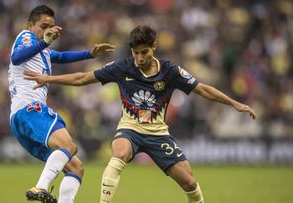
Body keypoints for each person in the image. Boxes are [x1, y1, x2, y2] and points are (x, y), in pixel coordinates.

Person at [24, 25, 257, 203]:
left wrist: (234, 103)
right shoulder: (122, 67)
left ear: (154, 47)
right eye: (136, 53)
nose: (140, 58)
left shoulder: (170, 71)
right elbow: (84, 78)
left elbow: (203, 88)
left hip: (158, 134)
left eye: (144, 52)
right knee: (119, 154)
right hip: (130, 129)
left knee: (190, 182)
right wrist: (49, 79)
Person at [8, 5, 115, 203]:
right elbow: (16, 58)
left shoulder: (42, 49)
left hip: (21, 118)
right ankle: (40, 187)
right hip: (30, 110)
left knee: (76, 167)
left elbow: (61, 56)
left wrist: (89, 54)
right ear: (30, 25)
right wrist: (45, 42)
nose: (48, 30)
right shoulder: (26, 37)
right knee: (69, 145)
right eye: (43, 26)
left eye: (51, 26)